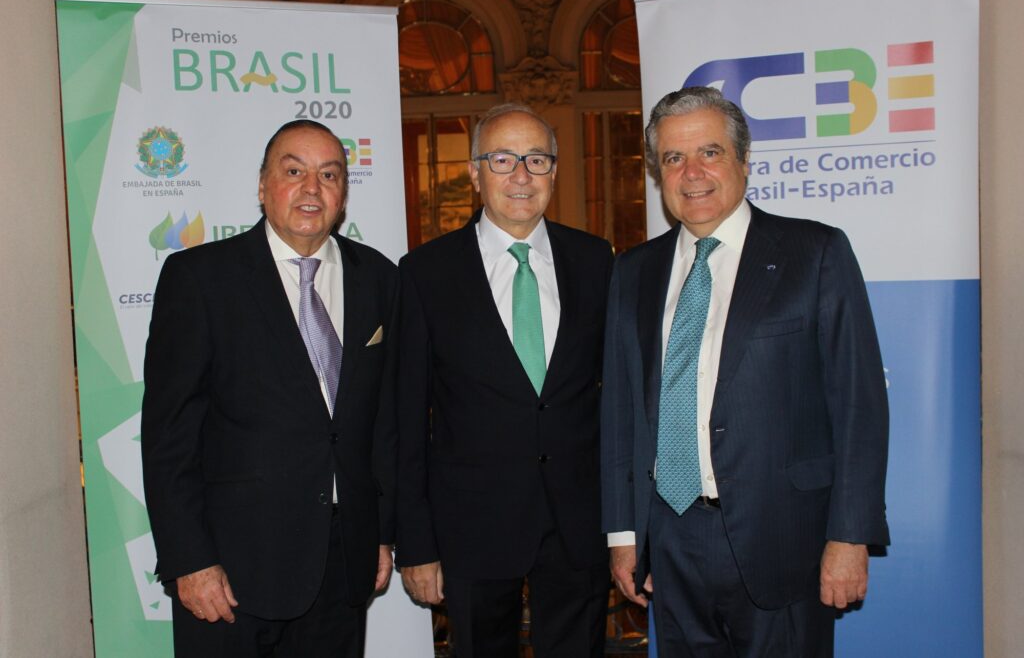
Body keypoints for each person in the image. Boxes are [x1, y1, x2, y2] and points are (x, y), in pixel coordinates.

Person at [600, 87, 890, 657]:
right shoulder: (633, 271)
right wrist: (623, 535)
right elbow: (620, 416)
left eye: (709, 152)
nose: (692, 173)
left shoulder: (815, 253)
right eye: (674, 158)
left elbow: (859, 406)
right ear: (658, 173)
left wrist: (850, 536)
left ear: (743, 160)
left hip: (784, 539)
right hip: (670, 540)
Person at [141, 119, 398, 657]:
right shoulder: (200, 277)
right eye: (294, 171)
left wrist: (380, 531)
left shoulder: (378, 277)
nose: (312, 188)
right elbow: (169, 436)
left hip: (341, 562)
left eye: (329, 174)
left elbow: (382, 423)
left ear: (343, 193)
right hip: (232, 571)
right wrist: (190, 560)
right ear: (263, 186)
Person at [395, 103, 613, 658]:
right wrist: (416, 544)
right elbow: (405, 419)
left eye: (536, 159)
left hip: (579, 524)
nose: (521, 175)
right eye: (502, 159)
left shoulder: (596, 261)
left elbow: (619, 400)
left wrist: (625, 528)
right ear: (474, 173)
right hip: (471, 528)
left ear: (554, 172)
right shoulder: (425, 273)